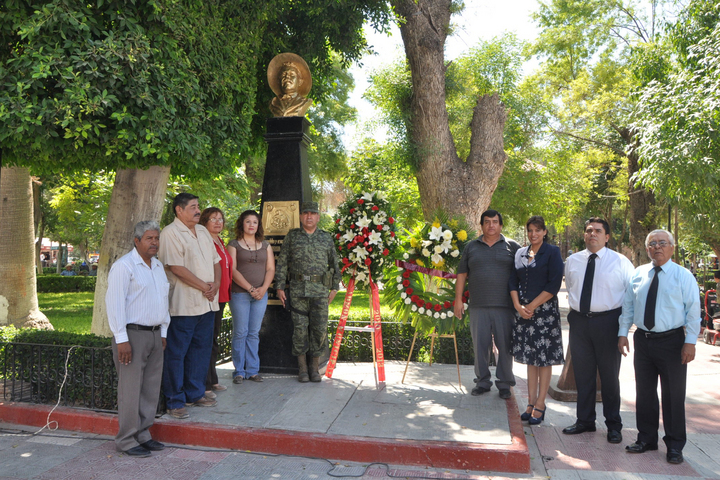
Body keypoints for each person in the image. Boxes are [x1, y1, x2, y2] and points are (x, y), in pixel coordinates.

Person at [618, 229, 701, 465]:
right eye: (652, 244)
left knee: (673, 395)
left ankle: (674, 445)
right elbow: (628, 307)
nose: (657, 247)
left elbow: (693, 311)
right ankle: (646, 439)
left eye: (662, 243)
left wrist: (690, 342)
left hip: (672, 342)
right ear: (647, 249)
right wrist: (623, 334)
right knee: (644, 392)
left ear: (672, 247)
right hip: (643, 340)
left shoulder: (683, 276)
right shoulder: (638, 274)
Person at [562, 218, 634, 444]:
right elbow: (572, 288)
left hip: (608, 323)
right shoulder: (573, 261)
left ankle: (613, 425)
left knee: (609, 377)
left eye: (598, 231)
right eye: (589, 230)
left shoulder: (621, 262)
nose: (593, 234)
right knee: (583, 375)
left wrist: (623, 331)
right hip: (580, 323)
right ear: (584, 234)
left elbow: (630, 298)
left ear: (607, 236)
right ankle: (585, 421)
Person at [106, 221, 170, 457]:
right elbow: (114, 304)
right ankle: (126, 439)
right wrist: (121, 339)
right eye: (149, 238)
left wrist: (163, 332)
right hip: (132, 336)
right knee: (130, 390)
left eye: (157, 238)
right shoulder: (124, 267)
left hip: (155, 335)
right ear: (137, 241)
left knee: (150, 388)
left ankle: (143, 434)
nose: (154, 242)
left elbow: (163, 301)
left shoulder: (158, 266)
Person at [158, 193, 221, 419]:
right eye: (193, 207)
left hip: (207, 304)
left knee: (200, 351)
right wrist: (205, 286)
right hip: (183, 305)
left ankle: (195, 393)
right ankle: (175, 401)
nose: (198, 210)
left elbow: (216, 261)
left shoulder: (202, 231)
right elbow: (176, 268)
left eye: (198, 206)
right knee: (177, 354)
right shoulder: (170, 233)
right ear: (179, 210)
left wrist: (216, 285)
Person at [454, 209, 520, 399]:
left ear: (501, 225)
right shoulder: (471, 247)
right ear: (481, 225)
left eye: (495, 221)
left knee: (505, 347)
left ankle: (505, 384)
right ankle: (482, 382)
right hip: (478, 306)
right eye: (487, 222)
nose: (491, 225)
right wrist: (458, 300)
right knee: (480, 346)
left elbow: (524, 274)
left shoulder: (513, 247)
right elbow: (462, 274)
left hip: (505, 307)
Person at [274, 201, 340, 382]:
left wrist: (335, 287)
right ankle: (302, 369)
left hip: (320, 292)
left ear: (318, 217)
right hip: (298, 291)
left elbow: (334, 263)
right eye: (305, 213)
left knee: (319, 330)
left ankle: (314, 368)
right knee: (300, 331)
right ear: (301, 216)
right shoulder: (293, 236)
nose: (309, 216)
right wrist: (280, 286)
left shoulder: (326, 238)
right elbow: (282, 262)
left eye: (312, 213)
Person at [510, 215, 564, 425]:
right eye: (530, 230)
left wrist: (532, 306)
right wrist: (518, 306)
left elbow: (553, 285)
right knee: (531, 359)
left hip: (544, 312)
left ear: (544, 232)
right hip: (523, 312)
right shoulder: (520, 253)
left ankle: (541, 403)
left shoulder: (552, 252)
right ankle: (530, 403)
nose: (533, 234)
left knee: (544, 359)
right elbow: (512, 282)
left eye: (538, 230)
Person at [227, 210, 275, 384]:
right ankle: (239, 371)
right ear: (242, 224)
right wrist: (250, 289)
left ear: (258, 225)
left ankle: (253, 371)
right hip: (240, 294)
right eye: (248, 221)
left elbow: (270, 269)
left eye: (255, 222)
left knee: (254, 333)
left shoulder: (265, 245)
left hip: (260, 295)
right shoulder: (234, 244)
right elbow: (232, 270)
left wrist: (263, 289)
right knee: (241, 332)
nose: (251, 225)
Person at [198, 207, 233, 398]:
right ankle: (205, 383)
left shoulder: (219, 240)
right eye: (213, 219)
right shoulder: (205, 241)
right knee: (208, 340)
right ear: (204, 221)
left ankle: (213, 379)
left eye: (220, 219)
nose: (218, 222)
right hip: (212, 296)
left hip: (223, 296)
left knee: (214, 339)